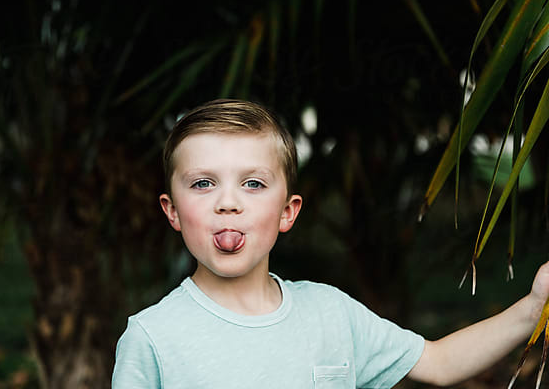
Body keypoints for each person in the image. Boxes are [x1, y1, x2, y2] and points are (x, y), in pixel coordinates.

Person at [111, 98, 549, 388]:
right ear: (171, 210)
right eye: (204, 183)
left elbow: (438, 362)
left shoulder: (331, 313)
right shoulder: (152, 338)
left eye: (253, 183)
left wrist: (534, 305)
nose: (228, 203)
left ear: (288, 212)